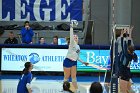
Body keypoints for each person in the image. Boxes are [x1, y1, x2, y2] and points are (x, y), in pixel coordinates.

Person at [63, 20, 88, 90]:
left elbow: (77, 57)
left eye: (76, 37)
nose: (75, 37)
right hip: (68, 61)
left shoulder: (78, 47)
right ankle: (64, 89)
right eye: (74, 37)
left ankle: (76, 90)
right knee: (66, 77)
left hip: (74, 62)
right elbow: (71, 34)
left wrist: (83, 62)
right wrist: (71, 27)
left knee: (74, 77)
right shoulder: (71, 44)